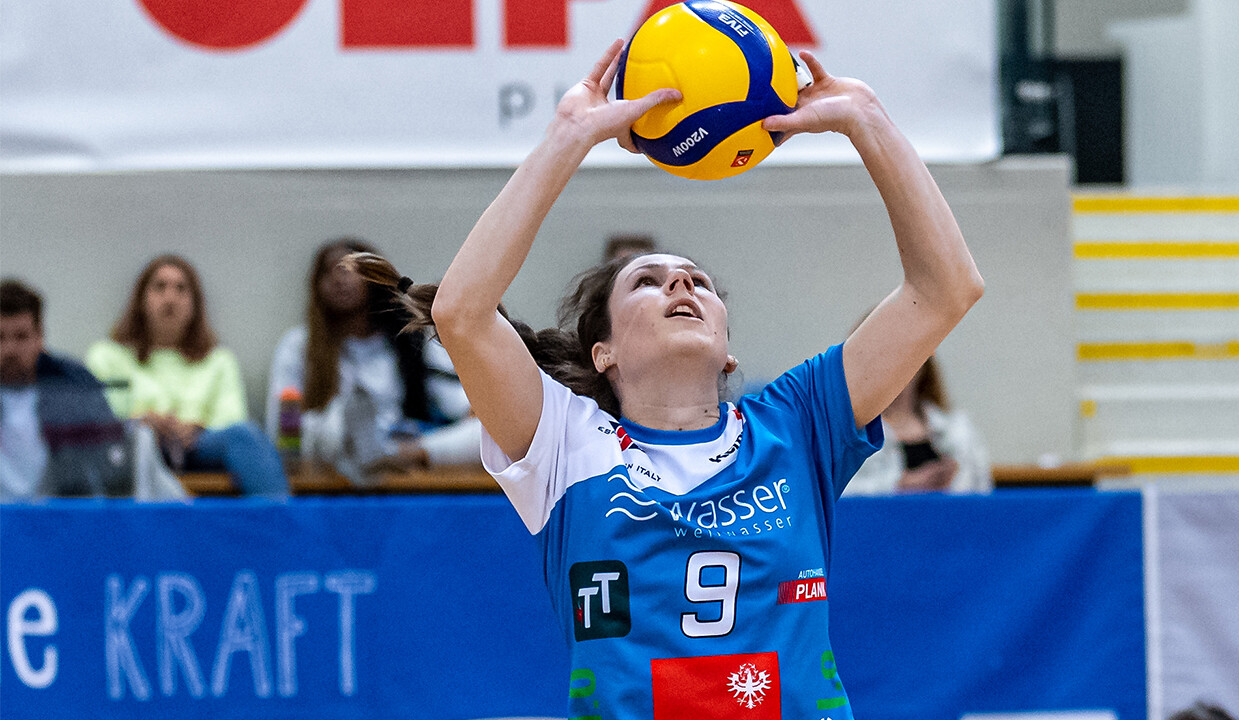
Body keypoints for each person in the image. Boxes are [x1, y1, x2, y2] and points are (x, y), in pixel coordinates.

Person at [349, 42, 982, 717]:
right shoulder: (565, 443)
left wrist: (867, 118)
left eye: (699, 282)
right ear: (604, 353)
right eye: (646, 283)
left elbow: (946, 289)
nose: (680, 282)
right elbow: (463, 313)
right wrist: (569, 136)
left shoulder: (795, 423)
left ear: (728, 352)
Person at [265, 238, 480, 482]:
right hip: (327, 445)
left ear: (374, 279)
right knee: (336, 422)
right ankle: (357, 446)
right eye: (328, 272)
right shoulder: (298, 345)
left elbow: (463, 407)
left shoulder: (412, 338)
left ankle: (382, 454)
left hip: (404, 445)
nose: (338, 279)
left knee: (487, 433)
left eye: (347, 270)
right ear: (317, 286)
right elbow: (282, 429)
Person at [86, 255, 288, 497]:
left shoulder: (218, 360)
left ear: (194, 305)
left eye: (181, 289)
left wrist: (196, 428)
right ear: (140, 300)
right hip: (134, 447)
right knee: (131, 439)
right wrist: (142, 421)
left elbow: (232, 417)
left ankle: (285, 528)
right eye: (159, 287)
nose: (170, 298)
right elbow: (101, 417)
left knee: (245, 435)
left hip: (199, 448)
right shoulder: (107, 355)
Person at [1, 279, 185, 501]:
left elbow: (111, 455)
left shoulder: (74, 384)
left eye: (21, 337)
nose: (10, 350)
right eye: (0, 338)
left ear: (40, 337)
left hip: (61, 515)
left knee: (141, 439)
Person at [842, 354, 991, 494]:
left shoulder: (958, 429)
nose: (894, 372)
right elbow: (837, 496)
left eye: (904, 359)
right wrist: (900, 485)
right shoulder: (849, 435)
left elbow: (982, 493)